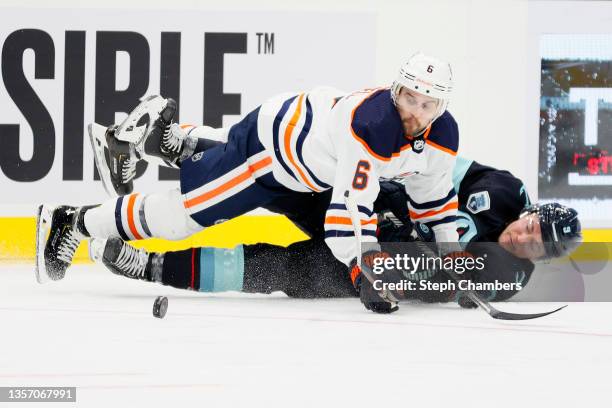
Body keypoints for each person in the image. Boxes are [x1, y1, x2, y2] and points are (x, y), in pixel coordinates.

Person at [37, 52, 461, 314]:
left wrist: (455, 258)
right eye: (409, 97)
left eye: (428, 104)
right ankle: (70, 221)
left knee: (219, 162)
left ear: (442, 106)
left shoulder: (442, 135)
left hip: (308, 159)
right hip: (271, 155)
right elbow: (349, 212)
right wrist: (361, 266)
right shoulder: (372, 125)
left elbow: (435, 199)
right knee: (182, 218)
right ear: (396, 91)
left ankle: (171, 141)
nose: (416, 112)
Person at [88, 157, 582, 312]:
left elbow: (435, 277)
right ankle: (183, 147)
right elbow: (440, 171)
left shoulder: (509, 276)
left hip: (375, 266)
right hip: (372, 204)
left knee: (269, 269)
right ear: (532, 210)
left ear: (543, 258)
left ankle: (149, 266)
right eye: (531, 225)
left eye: (536, 244)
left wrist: (383, 262)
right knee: (276, 180)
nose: (523, 237)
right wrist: (400, 202)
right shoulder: (505, 189)